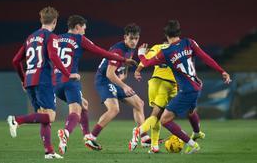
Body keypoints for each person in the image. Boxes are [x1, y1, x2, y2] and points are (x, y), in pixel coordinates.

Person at [135, 20, 231, 154]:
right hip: (197, 86)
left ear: (166, 35)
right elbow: (205, 57)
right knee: (190, 112)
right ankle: (197, 132)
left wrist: (140, 53)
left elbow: (145, 62)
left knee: (164, 120)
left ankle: (192, 145)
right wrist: (222, 71)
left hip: (186, 91)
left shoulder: (166, 52)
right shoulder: (189, 42)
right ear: (179, 32)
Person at [53, 15, 137, 155]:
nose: (84, 31)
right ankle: (65, 133)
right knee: (75, 110)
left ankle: (87, 136)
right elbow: (101, 52)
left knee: (84, 104)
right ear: (78, 26)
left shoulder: (56, 38)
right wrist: (123, 59)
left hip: (55, 81)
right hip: (71, 80)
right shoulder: (80, 39)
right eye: (84, 28)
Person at [7, 6, 79, 159]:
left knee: (43, 117)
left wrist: (23, 79)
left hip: (30, 80)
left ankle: (49, 152)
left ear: (41, 20)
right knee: (50, 117)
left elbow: (15, 61)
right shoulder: (51, 37)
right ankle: (17, 120)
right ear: (54, 21)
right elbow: (53, 57)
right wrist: (68, 74)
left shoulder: (30, 37)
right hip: (43, 80)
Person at [84, 23, 151, 151]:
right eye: (131, 38)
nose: (134, 41)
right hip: (103, 80)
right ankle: (91, 138)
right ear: (125, 37)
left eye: (136, 38)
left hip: (113, 80)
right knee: (114, 109)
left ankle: (144, 138)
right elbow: (109, 73)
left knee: (139, 103)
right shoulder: (118, 50)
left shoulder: (130, 49)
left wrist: (123, 76)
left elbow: (123, 68)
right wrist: (124, 86)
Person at [129, 42, 178, 153]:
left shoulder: (157, 47)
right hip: (167, 84)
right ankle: (139, 131)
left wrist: (137, 70)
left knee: (156, 115)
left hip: (154, 82)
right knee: (156, 116)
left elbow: (146, 60)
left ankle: (154, 146)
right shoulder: (177, 49)